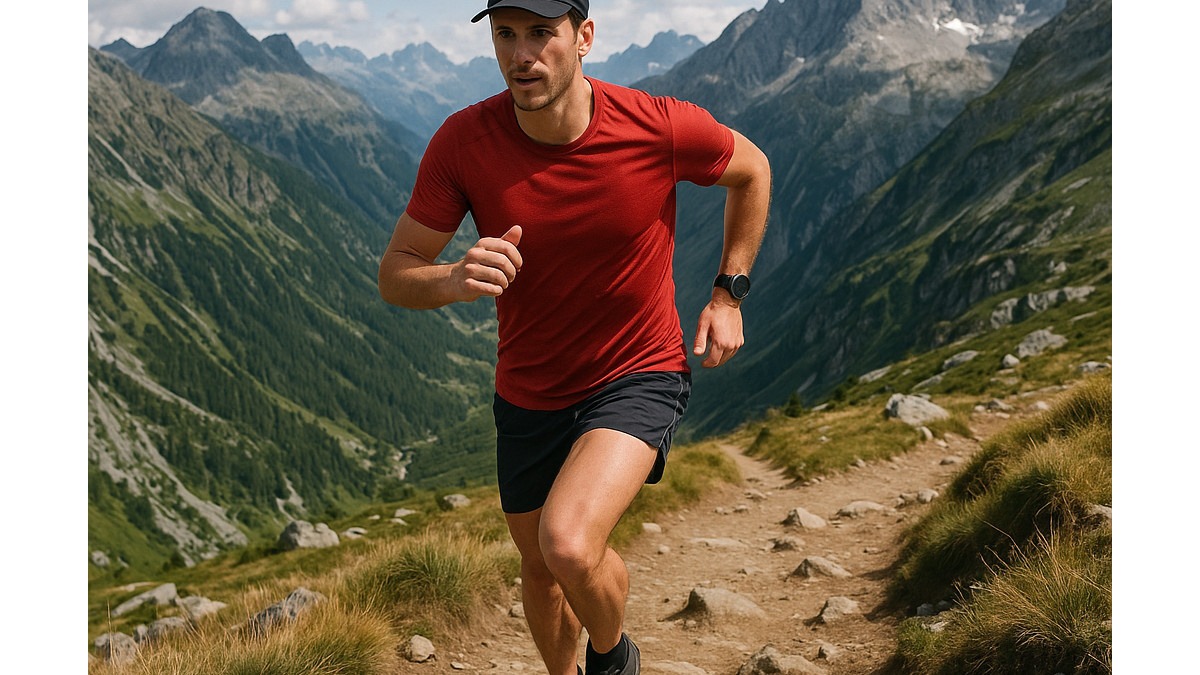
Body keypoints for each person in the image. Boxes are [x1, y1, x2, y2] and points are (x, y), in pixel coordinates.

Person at [378, 1, 771, 673]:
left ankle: (613, 657)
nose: (521, 53)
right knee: (539, 570)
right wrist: (452, 277)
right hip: (530, 388)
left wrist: (727, 293)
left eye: (541, 33)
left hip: (637, 371)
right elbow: (396, 273)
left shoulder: (657, 126)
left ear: (584, 37)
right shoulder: (463, 142)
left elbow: (752, 169)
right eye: (505, 34)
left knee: (566, 541)